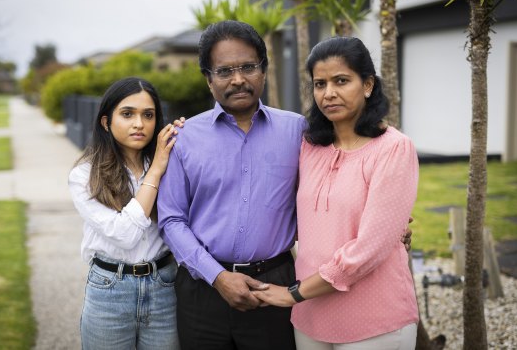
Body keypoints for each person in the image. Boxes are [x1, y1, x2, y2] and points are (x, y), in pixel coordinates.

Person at [157, 21, 412, 350]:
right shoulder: (184, 138)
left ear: (263, 70)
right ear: (209, 79)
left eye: (248, 67)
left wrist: (394, 226)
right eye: (224, 71)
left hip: (275, 286)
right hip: (203, 289)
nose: (238, 79)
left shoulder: (300, 134)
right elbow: (171, 218)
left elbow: (353, 175)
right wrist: (217, 277)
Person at [252, 37, 419, 350]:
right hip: (310, 318)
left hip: (374, 320)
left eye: (341, 81)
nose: (328, 93)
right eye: (320, 84)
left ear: (368, 85)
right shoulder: (308, 147)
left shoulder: (394, 148)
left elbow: (369, 248)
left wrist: (293, 293)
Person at [68, 77, 181, 350]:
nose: (139, 124)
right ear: (106, 122)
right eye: (127, 114)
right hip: (109, 290)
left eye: (148, 115)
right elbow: (125, 234)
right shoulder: (84, 175)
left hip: (164, 286)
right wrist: (155, 171)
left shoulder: (173, 162)